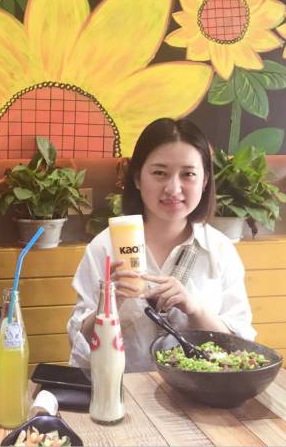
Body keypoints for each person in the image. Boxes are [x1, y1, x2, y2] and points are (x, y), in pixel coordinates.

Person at [67, 118, 255, 372]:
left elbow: (238, 347)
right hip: (119, 390)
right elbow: (81, 343)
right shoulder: (105, 247)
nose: (173, 188)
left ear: (204, 181)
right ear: (137, 178)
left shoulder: (219, 250)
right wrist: (110, 302)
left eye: (188, 174)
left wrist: (194, 309)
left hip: (199, 391)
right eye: (159, 173)